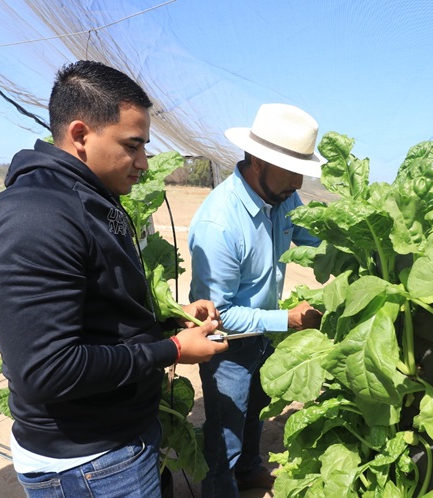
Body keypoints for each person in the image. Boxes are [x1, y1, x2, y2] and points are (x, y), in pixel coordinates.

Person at [0, 60, 228, 497]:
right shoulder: (34, 218)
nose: (143, 163)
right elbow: (46, 370)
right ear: (80, 135)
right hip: (88, 463)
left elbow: (99, 312)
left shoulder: (87, 200)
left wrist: (169, 320)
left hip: (115, 446)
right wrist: (173, 350)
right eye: (132, 146)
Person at [188, 103, 325, 497]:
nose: (298, 181)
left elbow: (314, 239)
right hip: (228, 345)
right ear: (258, 160)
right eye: (291, 169)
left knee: (256, 412)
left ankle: (248, 471)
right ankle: (221, 488)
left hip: (263, 334)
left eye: (302, 169)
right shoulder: (220, 223)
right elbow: (218, 316)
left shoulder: (283, 198)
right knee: (225, 434)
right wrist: (288, 319)